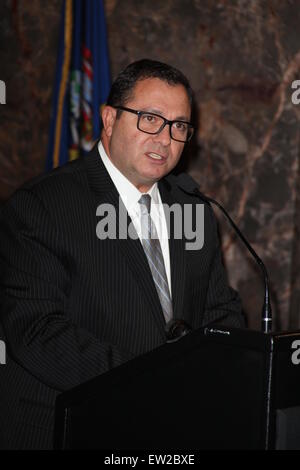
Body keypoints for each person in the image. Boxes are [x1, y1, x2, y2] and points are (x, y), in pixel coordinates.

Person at [0, 59, 244, 449]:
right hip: (69, 428)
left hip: (169, 433)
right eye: (150, 119)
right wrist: (152, 381)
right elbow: (36, 331)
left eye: (179, 126)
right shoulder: (43, 206)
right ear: (109, 119)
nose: (165, 139)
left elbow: (219, 311)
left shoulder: (194, 209)